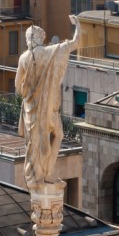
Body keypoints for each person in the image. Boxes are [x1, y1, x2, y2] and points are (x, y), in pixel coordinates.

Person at [15, 15, 81, 187]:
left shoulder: (23, 58)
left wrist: (30, 94)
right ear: (39, 38)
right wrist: (77, 25)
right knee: (57, 135)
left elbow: (17, 85)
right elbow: (76, 43)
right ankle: (48, 172)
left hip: (32, 109)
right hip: (49, 107)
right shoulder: (48, 52)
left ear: (29, 39)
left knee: (35, 143)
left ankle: (37, 174)